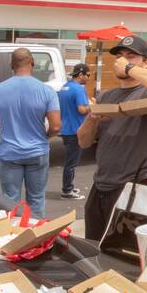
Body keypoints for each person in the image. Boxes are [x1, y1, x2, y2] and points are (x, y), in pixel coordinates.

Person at [76, 35, 147, 239]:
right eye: (120, 56)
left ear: (146, 62)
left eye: (131, 56)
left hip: (135, 187)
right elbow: (83, 141)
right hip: (100, 187)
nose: (122, 60)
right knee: (95, 252)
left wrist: (128, 68)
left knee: (127, 259)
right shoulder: (105, 96)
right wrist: (92, 119)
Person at [0, 47, 61, 218]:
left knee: (10, 201)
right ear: (32, 63)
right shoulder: (46, 91)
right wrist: (45, 136)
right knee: (36, 200)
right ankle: (36, 239)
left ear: (11, 64)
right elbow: (56, 126)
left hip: (9, 153)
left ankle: (12, 238)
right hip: (37, 151)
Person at [58, 63, 92, 200]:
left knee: (69, 161)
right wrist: (93, 107)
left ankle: (69, 186)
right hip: (75, 130)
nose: (88, 78)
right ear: (81, 75)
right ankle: (67, 191)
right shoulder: (78, 89)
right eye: (88, 75)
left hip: (65, 128)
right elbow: (82, 110)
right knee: (71, 163)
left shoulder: (65, 87)